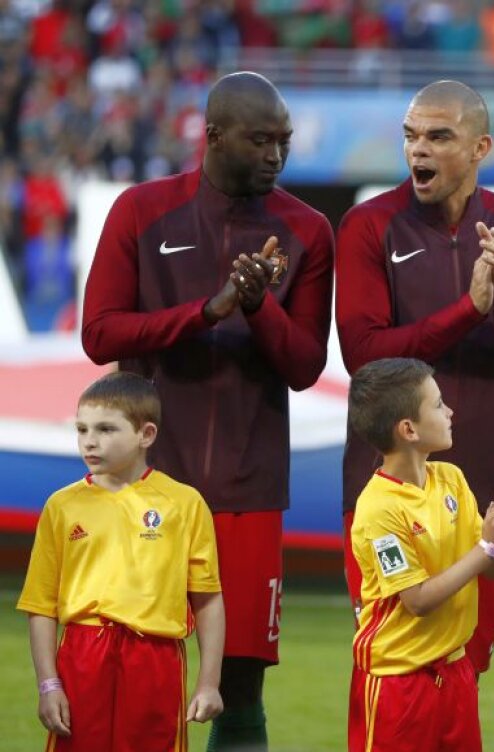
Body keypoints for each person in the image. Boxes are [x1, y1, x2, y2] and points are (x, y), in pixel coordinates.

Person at [80, 71, 335, 750]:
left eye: (282, 142)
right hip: (144, 486)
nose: (276, 156)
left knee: (239, 686)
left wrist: (258, 308)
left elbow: (306, 365)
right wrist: (206, 311)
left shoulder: (308, 229)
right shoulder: (141, 211)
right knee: (132, 666)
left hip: (248, 490)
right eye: (260, 141)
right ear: (214, 136)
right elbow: (99, 332)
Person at [336, 79, 494, 672]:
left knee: (466, 669)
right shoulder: (367, 226)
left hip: (485, 489)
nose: (418, 151)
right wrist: (470, 310)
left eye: (439, 136)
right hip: (386, 493)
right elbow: (365, 356)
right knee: (393, 658)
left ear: (481, 147)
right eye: (411, 136)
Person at [17, 372, 225, 750]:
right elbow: (40, 605)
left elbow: (208, 599)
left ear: (146, 435)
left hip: (155, 657)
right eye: (81, 429)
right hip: (81, 653)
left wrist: (209, 683)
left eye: (106, 429)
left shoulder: (184, 503)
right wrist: (48, 685)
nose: (90, 441)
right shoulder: (61, 506)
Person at [346, 357, 494, 751]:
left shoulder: (451, 479)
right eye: (438, 404)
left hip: (455, 670)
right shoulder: (379, 508)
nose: (450, 411)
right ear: (408, 429)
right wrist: (487, 546)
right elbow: (418, 600)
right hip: (398, 682)